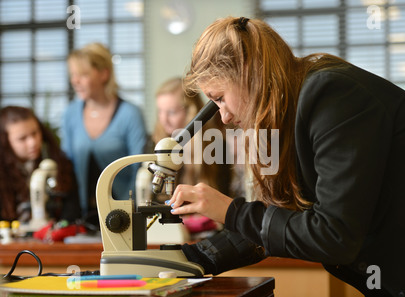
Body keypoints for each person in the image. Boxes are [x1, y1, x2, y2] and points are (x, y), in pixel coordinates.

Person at [166, 17, 405, 297]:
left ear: (249, 72)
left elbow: (333, 236)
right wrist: (188, 259)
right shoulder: (282, 115)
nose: (224, 117)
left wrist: (230, 211)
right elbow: (277, 216)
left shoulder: (331, 95)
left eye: (220, 98)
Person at [61, 43, 147, 227]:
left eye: (83, 75)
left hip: (124, 216)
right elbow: (66, 166)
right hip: (82, 218)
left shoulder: (129, 114)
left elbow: (139, 167)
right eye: (73, 75)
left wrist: (126, 211)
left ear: (104, 74)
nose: (75, 81)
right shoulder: (70, 114)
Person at [152, 77, 232, 197]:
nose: (164, 120)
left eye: (172, 112)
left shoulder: (215, 146)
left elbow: (223, 192)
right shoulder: (154, 143)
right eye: (160, 111)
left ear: (191, 111)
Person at [0, 106, 80, 223]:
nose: (32, 142)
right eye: (22, 138)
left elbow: (72, 212)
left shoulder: (60, 164)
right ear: (5, 142)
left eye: (35, 133)